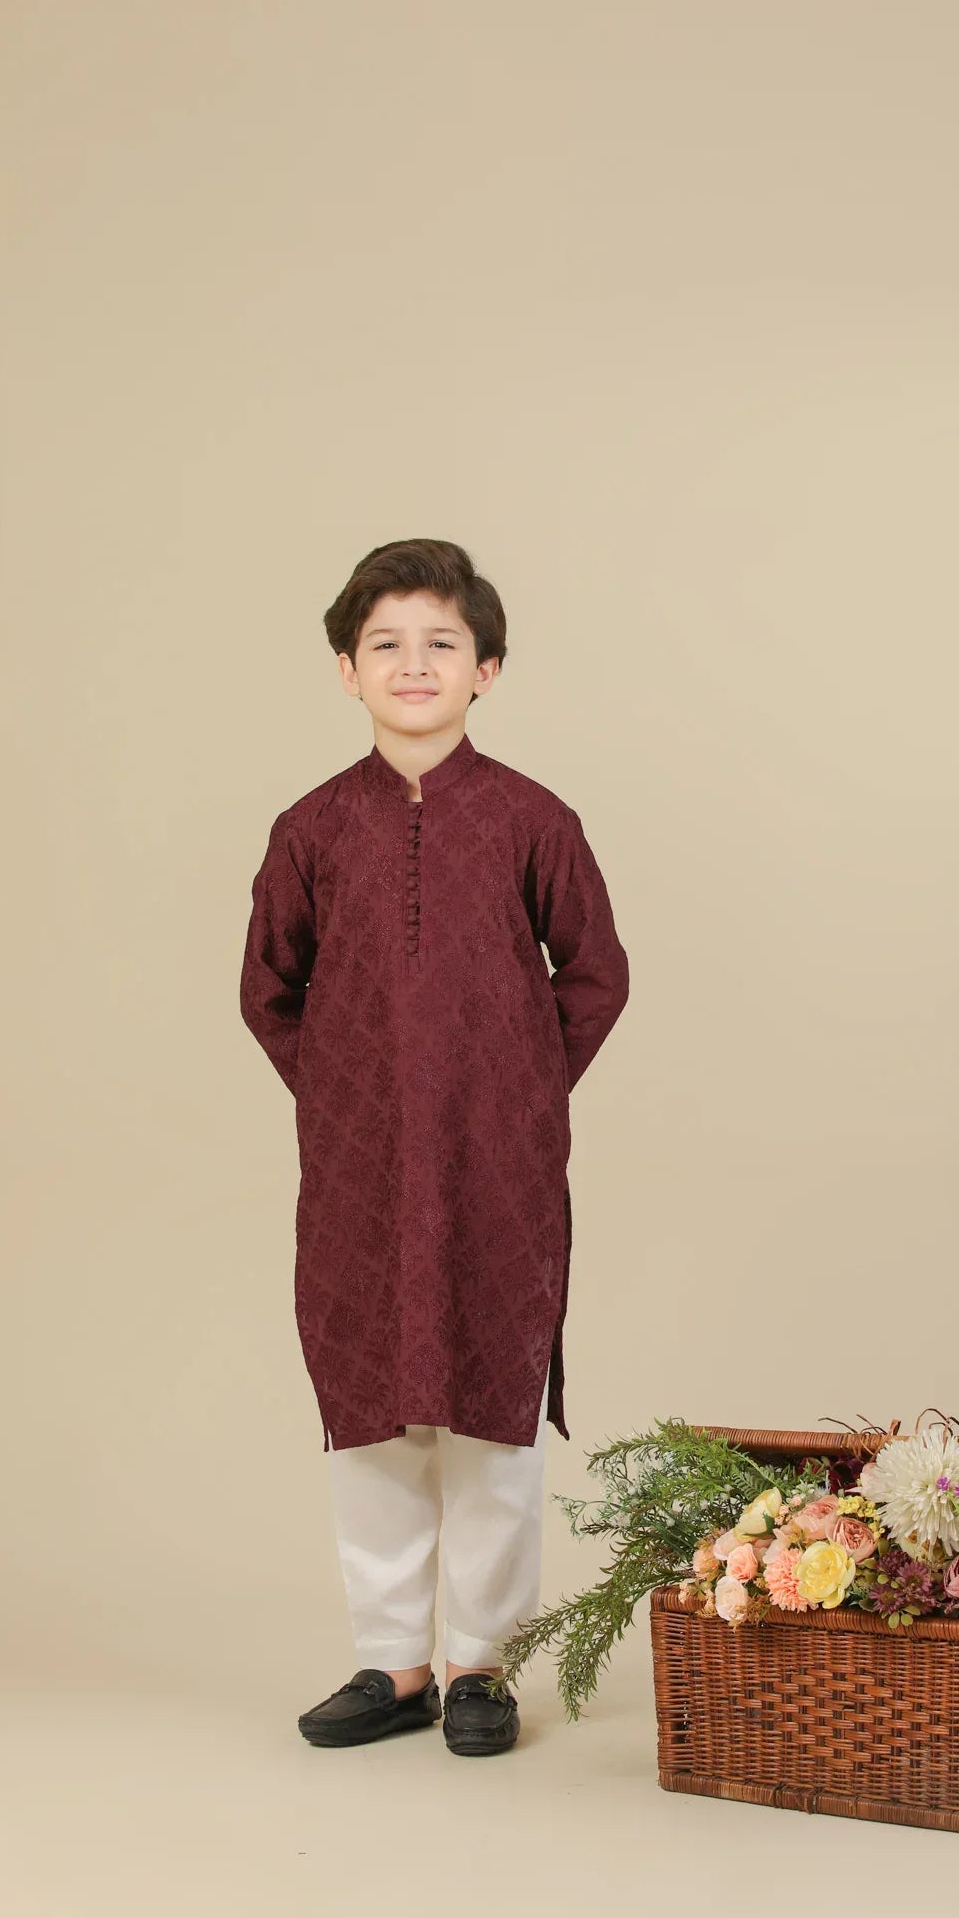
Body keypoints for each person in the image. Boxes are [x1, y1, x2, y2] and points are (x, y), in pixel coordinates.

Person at [239, 538, 630, 1756]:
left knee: (489, 1414)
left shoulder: (532, 819)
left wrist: (513, 1090)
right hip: (356, 1172)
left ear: (489, 668)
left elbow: (597, 975)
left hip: (497, 1172)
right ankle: (393, 1659)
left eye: (442, 644)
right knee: (373, 1416)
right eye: (386, 645)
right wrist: (353, 1098)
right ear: (345, 671)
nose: (416, 665)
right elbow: (270, 990)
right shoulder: (311, 827)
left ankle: (481, 1663)